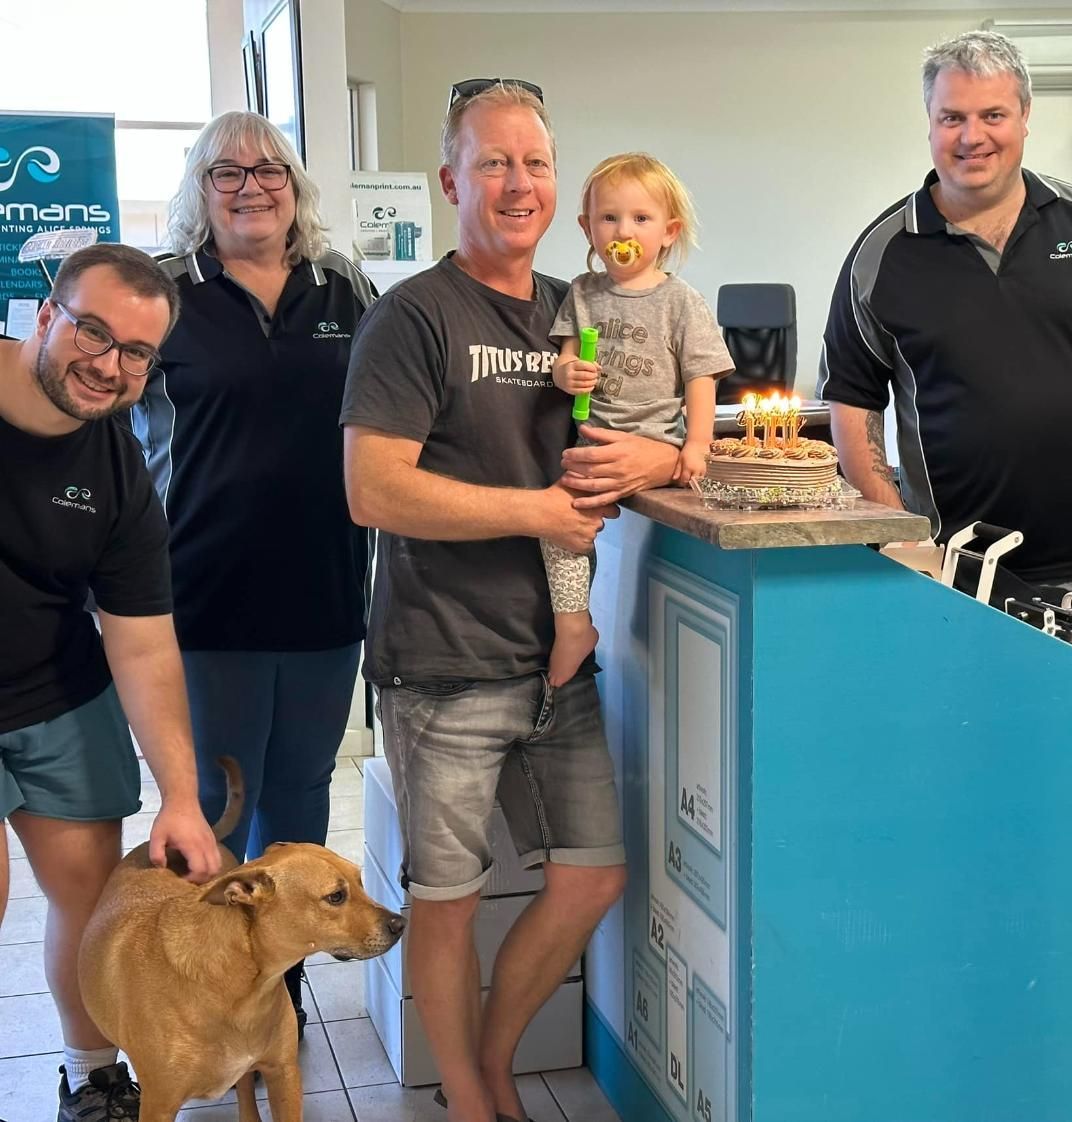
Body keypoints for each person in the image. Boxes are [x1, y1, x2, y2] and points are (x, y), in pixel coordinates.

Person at [340, 80, 677, 1122]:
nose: (518, 183)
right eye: (494, 162)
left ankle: (485, 1063)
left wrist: (662, 449)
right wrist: (535, 512)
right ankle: (478, 1105)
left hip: (558, 660)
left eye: (534, 163)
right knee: (447, 907)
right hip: (440, 662)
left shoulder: (572, 313)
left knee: (590, 878)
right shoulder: (412, 317)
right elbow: (373, 489)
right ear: (451, 180)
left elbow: (645, 429)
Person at [132, 111, 376, 1032]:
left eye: (268, 169)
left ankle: (279, 995)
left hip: (325, 587)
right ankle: (200, 996)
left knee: (303, 799)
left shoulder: (343, 287)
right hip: (203, 592)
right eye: (225, 171)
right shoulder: (165, 291)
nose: (249, 186)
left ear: (295, 185)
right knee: (218, 807)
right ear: (200, 189)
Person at [818, 30, 1072, 611]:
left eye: (992, 114)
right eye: (952, 117)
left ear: (1025, 117)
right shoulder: (882, 254)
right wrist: (895, 530)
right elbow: (853, 401)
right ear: (930, 123)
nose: (972, 136)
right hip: (960, 569)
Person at [0, 243, 221, 1121]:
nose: (110, 364)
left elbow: (141, 645)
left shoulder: (120, 475)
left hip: (55, 689)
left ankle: (92, 1074)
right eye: (94, 331)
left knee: (91, 902)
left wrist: (182, 795)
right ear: (46, 315)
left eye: (137, 352)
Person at [545, 151, 733, 684]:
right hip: (593, 443)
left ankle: (619, 630)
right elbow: (563, 356)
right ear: (587, 228)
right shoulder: (582, 293)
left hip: (656, 440)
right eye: (609, 218)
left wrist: (696, 445)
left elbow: (702, 378)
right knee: (559, 525)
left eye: (640, 219)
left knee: (660, 550)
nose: (622, 231)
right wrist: (566, 375)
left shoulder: (680, 301)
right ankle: (573, 622)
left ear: (668, 232)